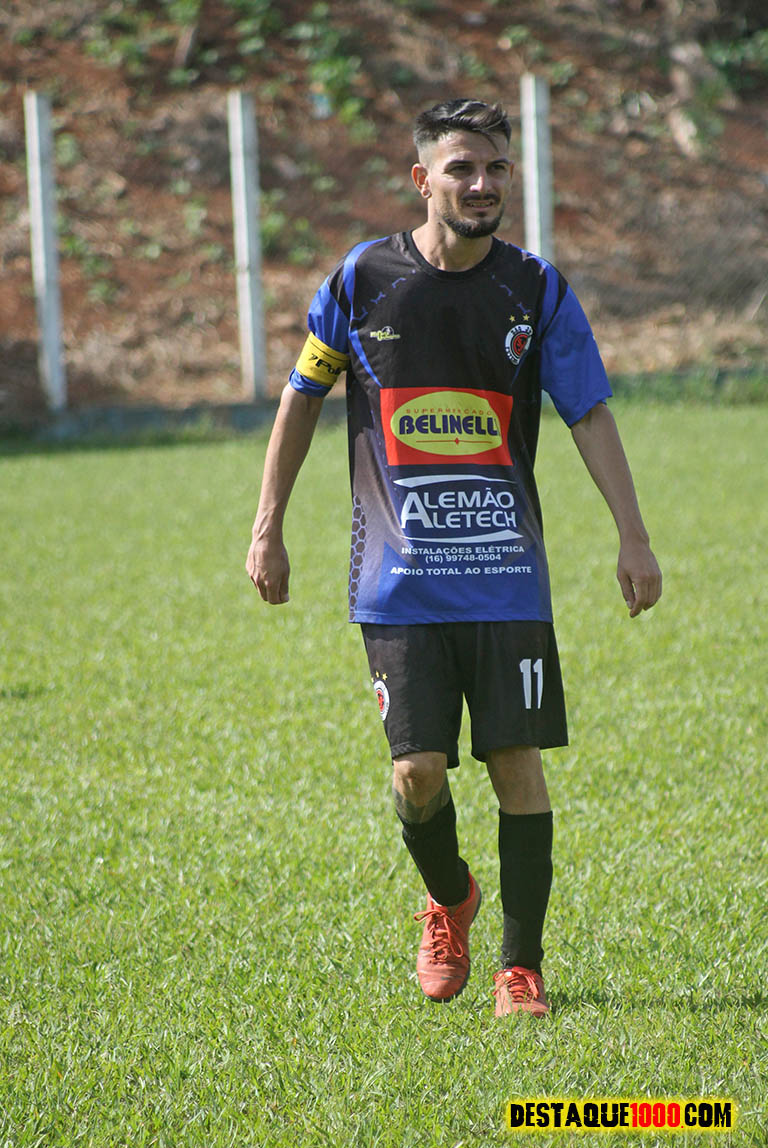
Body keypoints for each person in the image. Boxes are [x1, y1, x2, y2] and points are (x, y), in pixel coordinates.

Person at [246, 98, 662, 1017]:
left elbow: (588, 411)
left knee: (517, 762)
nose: (481, 184)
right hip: (396, 579)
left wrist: (631, 533)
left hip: (507, 570)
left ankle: (522, 967)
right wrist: (268, 524)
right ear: (421, 179)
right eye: (461, 167)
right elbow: (301, 398)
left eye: (495, 168)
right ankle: (450, 897)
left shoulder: (537, 288)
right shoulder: (362, 279)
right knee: (417, 774)